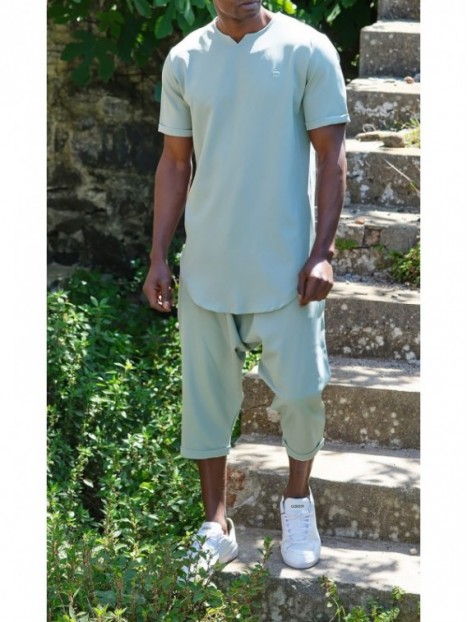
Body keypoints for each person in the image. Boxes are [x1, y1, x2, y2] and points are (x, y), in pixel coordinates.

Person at [143, 0, 349, 574]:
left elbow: (332, 155)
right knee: (204, 401)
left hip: (287, 267)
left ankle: (297, 500)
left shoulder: (307, 49)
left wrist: (322, 252)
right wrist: (158, 256)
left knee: (302, 393)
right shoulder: (186, 59)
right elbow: (174, 163)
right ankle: (216, 524)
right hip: (208, 263)